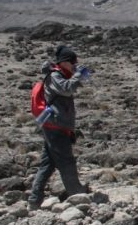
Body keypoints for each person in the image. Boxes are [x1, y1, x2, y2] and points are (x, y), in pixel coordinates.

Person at [29, 45, 92, 209]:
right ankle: (77, 194)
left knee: (48, 164)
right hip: (55, 126)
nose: (74, 64)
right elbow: (67, 89)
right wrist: (78, 75)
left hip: (56, 125)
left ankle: (34, 200)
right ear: (64, 62)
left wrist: (76, 75)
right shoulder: (55, 76)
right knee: (66, 161)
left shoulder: (61, 75)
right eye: (72, 62)